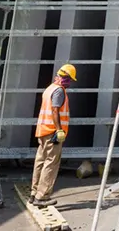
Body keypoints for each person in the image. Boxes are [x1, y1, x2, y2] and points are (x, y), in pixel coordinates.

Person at [30, 63, 76, 206]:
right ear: (65, 78)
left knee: (40, 161)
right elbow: (55, 110)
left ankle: (34, 193)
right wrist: (59, 130)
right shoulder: (59, 91)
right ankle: (42, 197)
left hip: (43, 131)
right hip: (52, 133)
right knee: (51, 163)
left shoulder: (49, 89)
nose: (68, 83)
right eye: (68, 79)